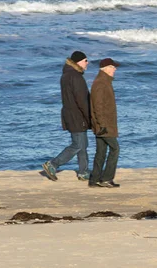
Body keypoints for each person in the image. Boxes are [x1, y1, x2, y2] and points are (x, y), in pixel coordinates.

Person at [42, 51, 91, 181]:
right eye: (85, 60)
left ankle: (83, 171)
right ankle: (53, 164)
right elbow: (82, 100)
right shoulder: (76, 77)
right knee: (78, 145)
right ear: (78, 62)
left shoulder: (67, 75)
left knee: (83, 143)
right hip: (77, 116)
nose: (87, 63)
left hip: (70, 114)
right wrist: (90, 116)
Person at [89, 58, 121, 188]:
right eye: (113, 67)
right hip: (104, 125)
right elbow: (98, 106)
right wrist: (102, 125)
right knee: (115, 149)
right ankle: (106, 179)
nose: (115, 69)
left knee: (101, 152)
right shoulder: (101, 83)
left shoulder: (104, 82)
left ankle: (95, 179)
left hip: (103, 124)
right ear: (107, 68)